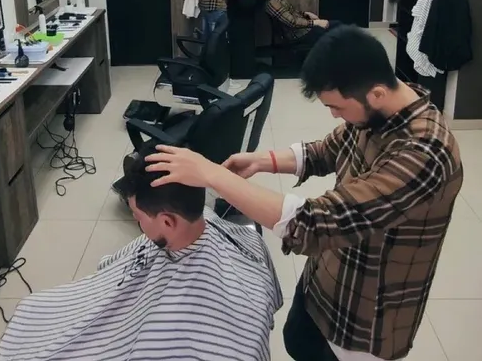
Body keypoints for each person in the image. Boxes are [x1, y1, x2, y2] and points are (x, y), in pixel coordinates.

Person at [146, 26, 463, 361]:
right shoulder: (377, 112)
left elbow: (314, 223)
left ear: (377, 94)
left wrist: (212, 175)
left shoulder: (426, 154)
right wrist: (262, 161)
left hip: (364, 321)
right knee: (297, 341)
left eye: (337, 107)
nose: (334, 116)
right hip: (323, 279)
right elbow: (326, 150)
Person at [0, 145, 282, 361]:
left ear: (167, 222)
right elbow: (110, 270)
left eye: (137, 216)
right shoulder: (243, 239)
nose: (137, 223)